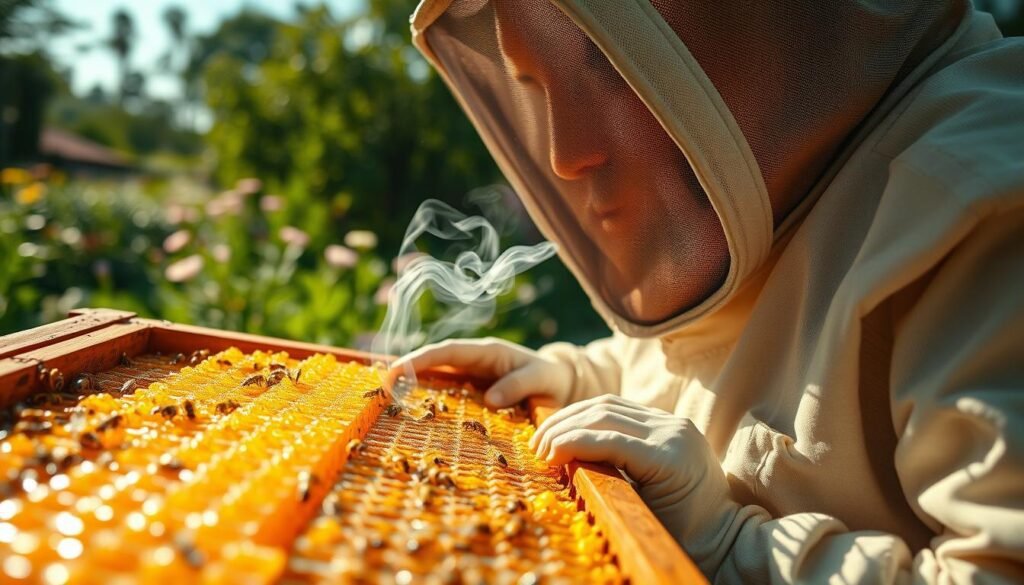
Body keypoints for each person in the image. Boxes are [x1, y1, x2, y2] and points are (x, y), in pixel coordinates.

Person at [389, 1, 1024, 582]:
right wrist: (571, 380)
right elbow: (699, 352)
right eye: (537, 87)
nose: (563, 155)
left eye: (603, 70)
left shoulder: (984, 191)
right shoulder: (764, 190)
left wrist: (724, 543)